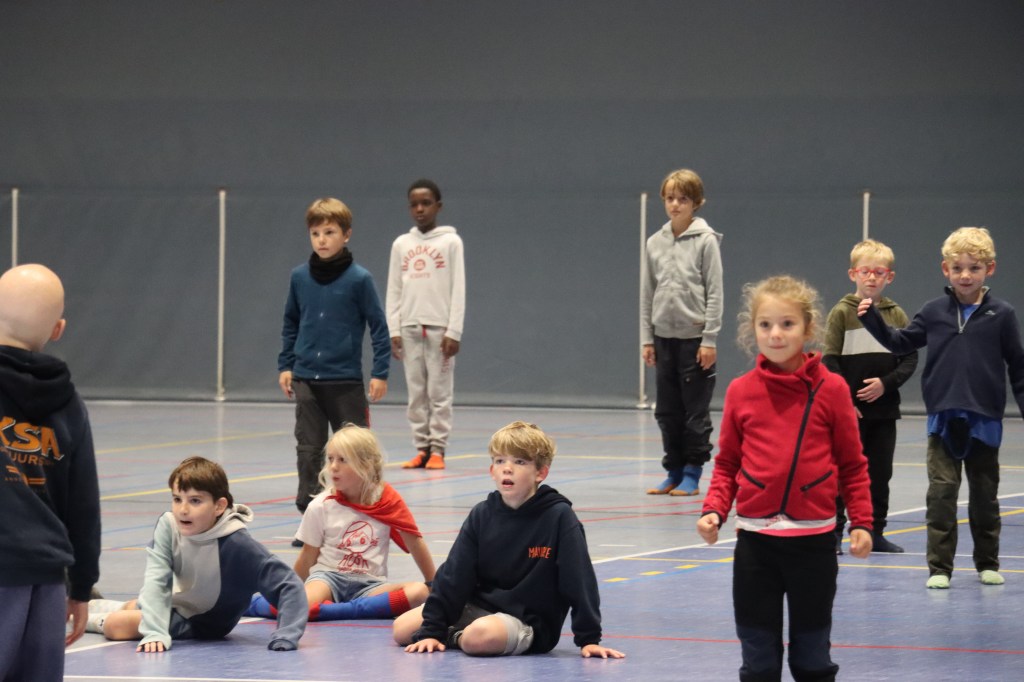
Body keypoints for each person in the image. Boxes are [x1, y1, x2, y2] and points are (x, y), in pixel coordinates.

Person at [697, 275, 873, 682]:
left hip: (814, 544)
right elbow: (727, 463)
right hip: (755, 543)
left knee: (812, 657)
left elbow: (852, 464)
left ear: (808, 328)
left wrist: (862, 522)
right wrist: (714, 510)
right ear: (752, 330)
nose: (775, 334)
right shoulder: (740, 391)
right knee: (757, 655)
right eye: (765, 325)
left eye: (787, 324)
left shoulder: (832, 389)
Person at [858, 227, 1024, 589]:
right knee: (941, 495)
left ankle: (987, 563)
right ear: (945, 269)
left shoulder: (1002, 314)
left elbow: (1018, 366)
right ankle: (940, 569)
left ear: (990, 269)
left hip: (985, 420)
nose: (965, 275)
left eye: (974, 268)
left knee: (985, 497)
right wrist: (872, 320)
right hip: (943, 419)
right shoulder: (933, 312)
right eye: (958, 268)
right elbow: (901, 342)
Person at [394, 421, 625, 659]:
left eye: (520, 462)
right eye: (500, 461)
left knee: (479, 637)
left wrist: (589, 638)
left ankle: (457, 637)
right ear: (491, 470)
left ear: (540, 473)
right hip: (479, 608)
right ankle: (454, 634)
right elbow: (454, 575)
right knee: (402, 629)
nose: (507, 469)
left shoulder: (559, 517)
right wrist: (432, 631)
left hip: (526, 621)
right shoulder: (481, 514)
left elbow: (578, 579)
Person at [86, 456, 307, 652]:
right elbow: (156, 580)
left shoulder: (238, 545)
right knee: (139, 604)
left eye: (195, 501)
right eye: (177, 499)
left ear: (219, 506)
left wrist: (286, 635)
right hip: (179, 604)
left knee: (117, 624)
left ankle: (80, 620)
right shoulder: (169, 525)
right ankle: (84, 607)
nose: (183, 509)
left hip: (203, 624)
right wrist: (155, 630)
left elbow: (288, 585)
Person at [0, 264, 101, 681]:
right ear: (57, 329)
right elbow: (84, 502)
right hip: (47, 578)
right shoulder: (69, 402)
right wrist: (82, 586)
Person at [278, 198, 390, 543]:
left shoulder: (360, 279)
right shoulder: (299, 277)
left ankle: (361, 516)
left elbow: (379, 327)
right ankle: (311, 522)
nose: (322, 240)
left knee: (356, 453)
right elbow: (291, 323)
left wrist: (380, 372)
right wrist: (286, 364)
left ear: (346, 235)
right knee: (309, 451)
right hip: (307, 379)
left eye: (329, 232)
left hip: (345, 382)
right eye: (316, 233)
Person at [249, 424, 435, 621]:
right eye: (330, 459)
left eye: (343, 460)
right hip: (328, 579)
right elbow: (308, 556)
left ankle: (331, 611)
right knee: (298, 603)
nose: (333, 467)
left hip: (371, 584)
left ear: (366, 465)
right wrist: (292, 592)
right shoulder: (321, 505)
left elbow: (415, 543)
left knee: (419, 593)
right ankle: (250, 603)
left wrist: (434, 585)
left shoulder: (387, 501)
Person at [823, 239, 918, 554]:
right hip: (849, 414)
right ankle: (833, 534)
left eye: (879, 272)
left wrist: (886, 384)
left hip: (884, 412)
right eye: (865, 271)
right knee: (841, 474)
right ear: (853, 274)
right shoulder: (841, 313)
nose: (872, 278)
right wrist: (845, 402)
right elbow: (829, 362)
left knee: (879, 475)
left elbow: (909, 358)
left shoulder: (896, 315)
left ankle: (874, 533)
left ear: (889, 277)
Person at [641, 168, 722, 496]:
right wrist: (647, 338)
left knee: (694, 411)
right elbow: (647, 293)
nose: (675, 205)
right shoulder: (654, 243)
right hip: (663, 339)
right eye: (670, 198)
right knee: (667, 410)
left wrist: (709, 339)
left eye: (683, 199)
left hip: (694, 340)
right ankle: (673, 470)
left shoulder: (706, 241)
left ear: (696, 203)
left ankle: (692, 472)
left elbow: (714, 291)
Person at [386, 179, 466, 470]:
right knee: (416, 393)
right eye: (414, 204)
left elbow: (458, 288)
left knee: (439, 393)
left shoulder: (451, 242)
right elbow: (394, 288)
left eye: (426, 203)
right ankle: (421, 448)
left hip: (439, 330)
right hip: (409, 328)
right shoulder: (401, 244)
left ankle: (438, 449)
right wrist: (394, 328)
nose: (420, 209)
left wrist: (453, 330)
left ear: (438, 206)